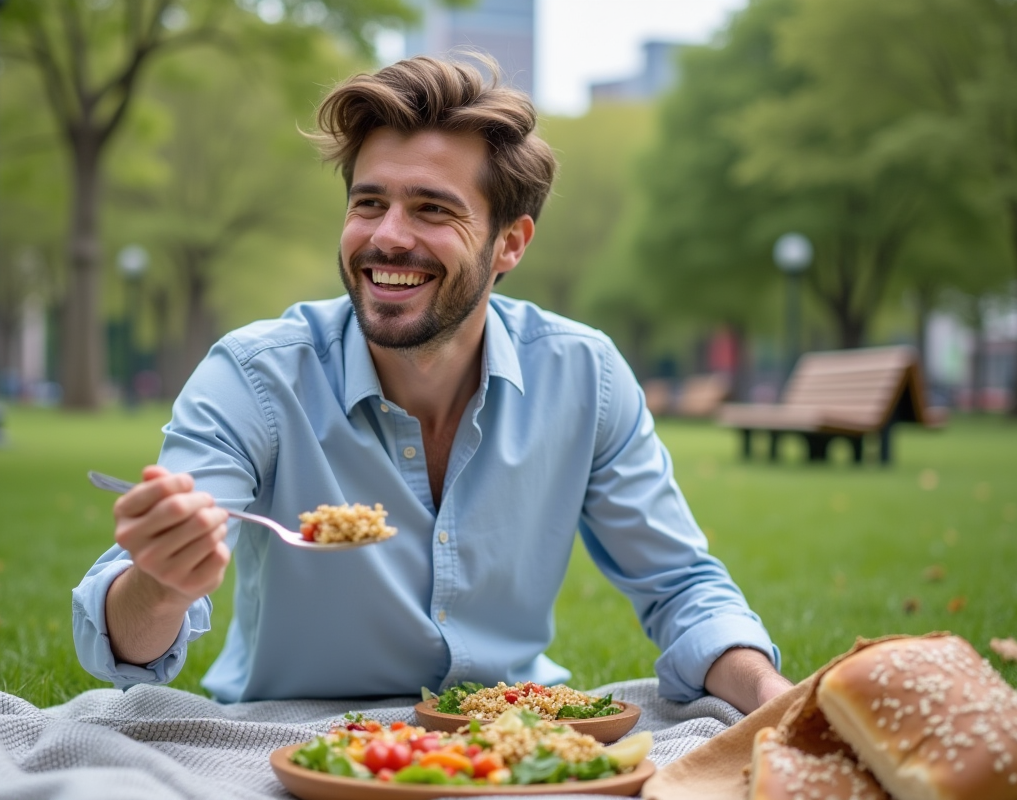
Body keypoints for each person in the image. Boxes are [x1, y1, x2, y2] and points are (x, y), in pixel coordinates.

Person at [73, 55, 793, 714]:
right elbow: (121, 640)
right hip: (288, 744)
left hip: (510, 740)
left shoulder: (586, 377)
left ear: (510, 242)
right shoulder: (256, 375)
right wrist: (160, 583)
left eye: (432, 208)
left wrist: (770, 696)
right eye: (368, 202)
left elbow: (683, 587)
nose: (387, 237)